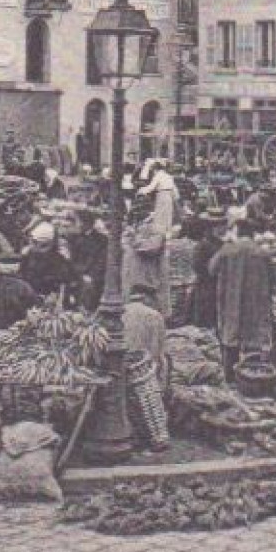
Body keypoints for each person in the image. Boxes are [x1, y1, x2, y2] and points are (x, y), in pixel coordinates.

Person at [210, 209, 274, 382]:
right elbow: (274, 277)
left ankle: (229, 378)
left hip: (231, 301)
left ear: (237, 232)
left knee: (230, 339)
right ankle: (252, 377)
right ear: (253, 234)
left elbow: (211, 269)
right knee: (254, 339)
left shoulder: (228, 250)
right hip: (256, 302)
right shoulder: (262, 253)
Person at [124, 158, 178, 318]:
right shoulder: (142, 225)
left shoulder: (155, 227)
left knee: (152, 308)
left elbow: (152, 246)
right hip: (139, 274)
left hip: (149, 278)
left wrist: (133, 239)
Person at [122, 282, 170, 396]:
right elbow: (157, 352)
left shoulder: (118, 312)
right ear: (146, 298)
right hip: (142, 370)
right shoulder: (154, 315)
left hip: (122, 365)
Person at [19, 223, 77, 303]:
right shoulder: (28, 254)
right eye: (34, 242)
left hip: (50, 295)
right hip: (30, 292)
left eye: (42, 245)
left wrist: (56, 296)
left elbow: (65, 282)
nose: (37, 248)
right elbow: (22, 275)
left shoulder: (60, 258)